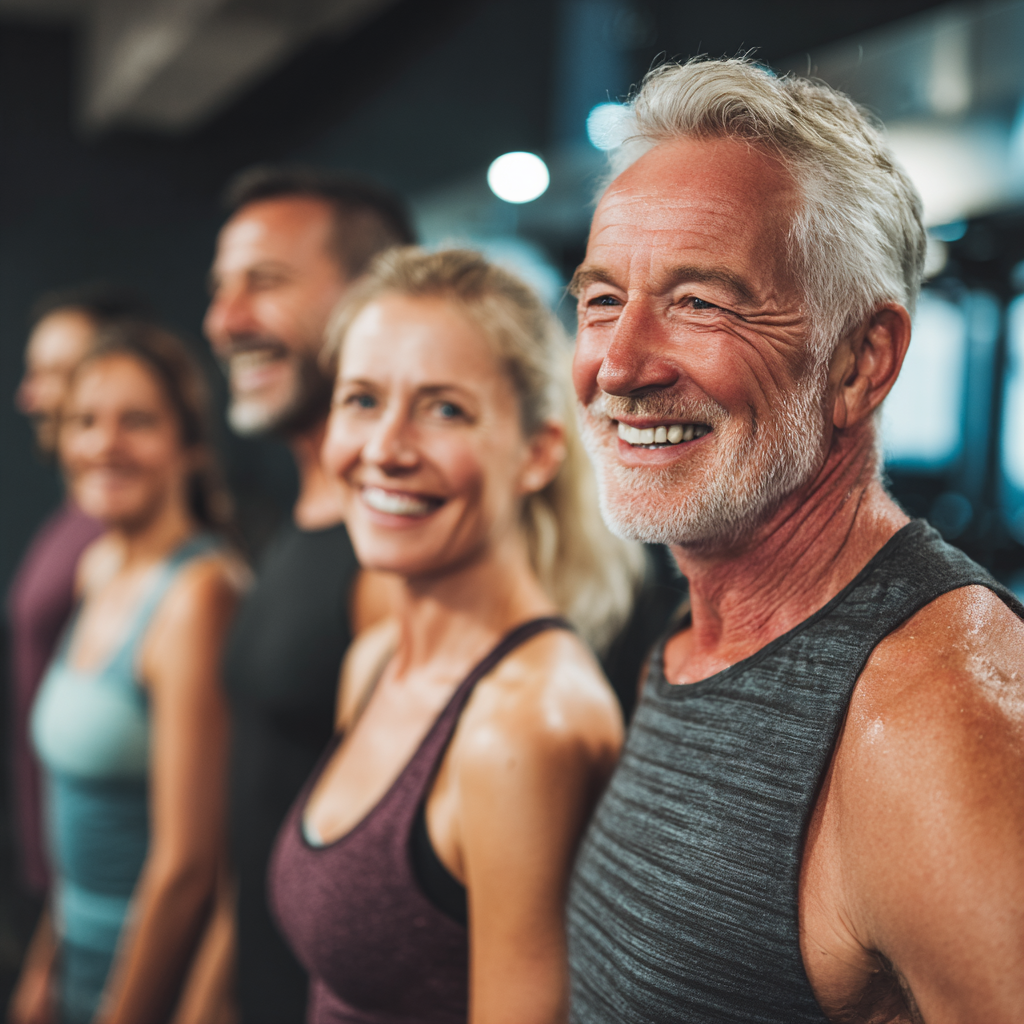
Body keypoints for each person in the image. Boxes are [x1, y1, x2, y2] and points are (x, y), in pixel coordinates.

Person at [565, 57, 1024, 1023]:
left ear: (862, 363)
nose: (618, 363)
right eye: (602, 298)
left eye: (700, 301)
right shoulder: (687, 641)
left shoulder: (939, 727)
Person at [269, 248, 644, 1024]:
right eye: (362, 400)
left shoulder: (524, 723)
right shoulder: (375, 661)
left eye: (445, 409)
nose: (386, 450)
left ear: (538, 452)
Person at [204, 165, 415, 1024]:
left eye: (267, 283)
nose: (225, 321)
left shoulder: (394, 568)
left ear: (374, 298)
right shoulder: (301, 526)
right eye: (220, 289)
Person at [9, 320, 244, 1024]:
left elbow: (189, 869)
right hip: (73, 963)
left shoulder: (200, 594)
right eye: (85, 421)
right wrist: (43, 968)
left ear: (190, 445)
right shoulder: (100, 565)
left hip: (145, 983)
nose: (103, 445)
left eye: (135, 421)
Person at [7, 284, 153, 899]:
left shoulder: (127, 544)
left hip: (108, 886)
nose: (29, 396)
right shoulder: (76, 523)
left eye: (55, 374)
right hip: (60, 871)